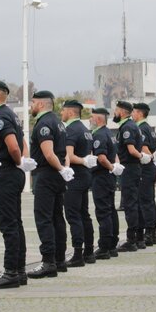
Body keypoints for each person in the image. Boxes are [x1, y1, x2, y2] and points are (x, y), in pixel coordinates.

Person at [0, 79, 32, 289]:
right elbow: (22, 143)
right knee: (16, 221)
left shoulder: (0, 117)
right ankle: (19, 270)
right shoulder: (11, 113)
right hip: (15, 172)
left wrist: (18, 161)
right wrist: (23, 162)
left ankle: (11, 271)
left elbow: (13, 146)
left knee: (8, 224)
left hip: (8, 172)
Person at [26, 90, 73, 278]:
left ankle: (48, 261)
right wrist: (64, 168)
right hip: (57, 174)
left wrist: (61, 168)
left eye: (33, 102)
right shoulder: (59, 123)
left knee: (44, 218)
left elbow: (48, 153)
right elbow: (65, 153)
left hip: (46, 174)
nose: (31, 106)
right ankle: (60, 259)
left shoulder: (44, 123)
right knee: (57, 218)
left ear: (41, 104)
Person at [61, 99, 96, 266]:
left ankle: (77, 254)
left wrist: (78, 162)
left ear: (70, 112)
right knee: (84, 214)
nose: (61, 113)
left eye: (63, 110)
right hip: (85, 175)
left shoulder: (71, 130)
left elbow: (69, 156)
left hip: (74, 177)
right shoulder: (85, 130)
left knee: (73, 215)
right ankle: (89, 252)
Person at [90, 107, 124, 259]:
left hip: (102, 176)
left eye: (92, 118)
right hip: (109, 177)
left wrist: (111, 168)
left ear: (98, 119)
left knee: (103, 211)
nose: (90, 120)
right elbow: (115, 154)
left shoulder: (98, 135)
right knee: (111, 210)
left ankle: (104, 247)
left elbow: (101, 157)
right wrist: (115, 167)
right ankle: (112, 244)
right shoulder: (110, 134)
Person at [114, 100, 145, 251]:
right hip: (134, 168)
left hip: (130, 167)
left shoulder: (127, 127)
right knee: (135, 202)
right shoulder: (133, 126)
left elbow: (131, 150)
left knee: (130, 204)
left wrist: (140, 156)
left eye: (116, 110)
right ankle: (139, 237)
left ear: (122, 112)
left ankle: (131, 240)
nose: (115, 112)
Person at [133, 102, 156, 246]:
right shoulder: (149, 128)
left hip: (144, 167)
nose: (132, 114)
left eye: (134, 112)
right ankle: (152, 233)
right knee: (150, 200)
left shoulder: (141, 129)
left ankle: (149, 234)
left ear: (139, 113)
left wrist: (147, 159)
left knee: (145, 201)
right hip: (150, 167)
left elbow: (145, 149)